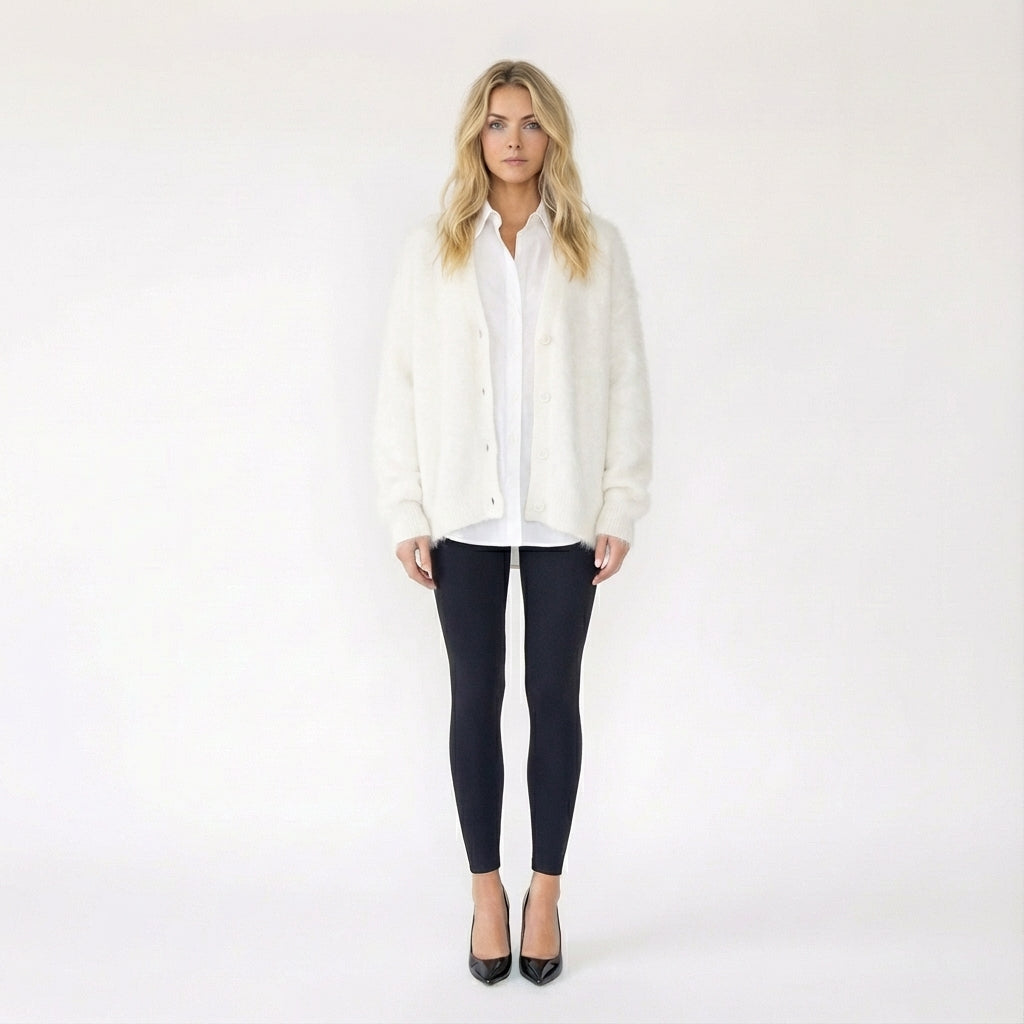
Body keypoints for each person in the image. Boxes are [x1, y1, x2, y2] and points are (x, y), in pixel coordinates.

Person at [373, 59, 652, 986]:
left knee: (554, 698)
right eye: (498, 123)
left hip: (563, 512)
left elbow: (625, 378)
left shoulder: (596, 248)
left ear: (552, 136)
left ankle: (547, 893)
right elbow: (400, 382)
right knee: (474, 699)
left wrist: (619, 502)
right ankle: (486, 891)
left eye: (531, 123)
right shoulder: (433, 251)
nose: (515, 139)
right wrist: (406, 507)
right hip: (465, 512)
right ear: (476, 136)